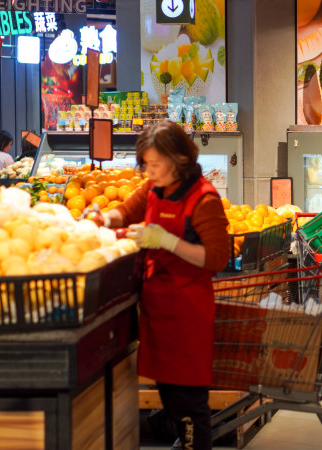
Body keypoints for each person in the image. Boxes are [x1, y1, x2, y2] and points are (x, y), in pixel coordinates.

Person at [91, 121, 230, 450]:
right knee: (171, 398)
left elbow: (216, 258)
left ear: (179, 160)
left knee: (190, 407)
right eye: (146, 165)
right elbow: (127, 211)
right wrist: (103, 218)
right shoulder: (155, 188)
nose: (149, 172)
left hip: (187, 318)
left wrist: (166, 240)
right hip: (158, 314)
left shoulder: (203, 199)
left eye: (155, 165)